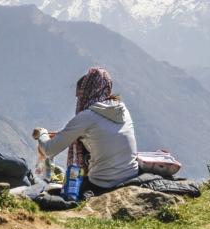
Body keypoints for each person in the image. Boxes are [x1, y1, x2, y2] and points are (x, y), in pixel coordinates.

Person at [33, 67, 138, 197]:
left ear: (87, 93)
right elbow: (96, 134)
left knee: (48, 192)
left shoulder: (88, 116)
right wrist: (58, 134)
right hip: (130, 176)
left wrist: (41, 133)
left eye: (79, 96)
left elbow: (49, 149)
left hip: (104, 182)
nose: (79, 100)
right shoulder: (121, 110)